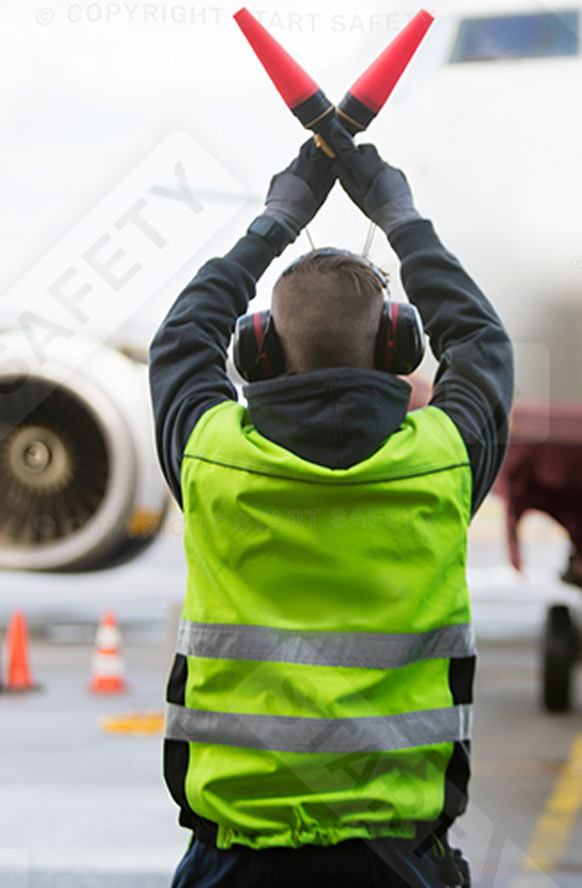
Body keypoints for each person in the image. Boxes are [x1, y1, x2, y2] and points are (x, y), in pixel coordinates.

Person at [148, 136, 514, 887]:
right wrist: (399, 216)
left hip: (235, 863)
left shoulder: (211, 458)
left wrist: (277, 219)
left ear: (256, 351)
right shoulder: (441, 463)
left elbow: (181, 338)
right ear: (396, 347)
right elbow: (481, 342)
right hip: (395, 862)